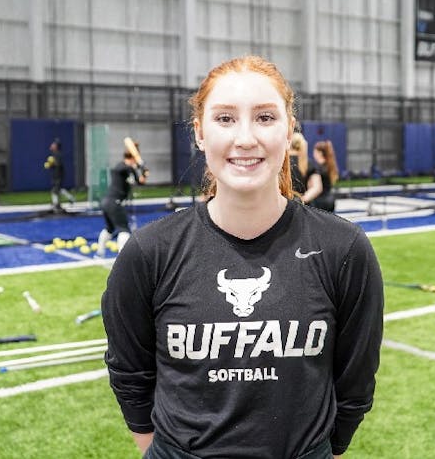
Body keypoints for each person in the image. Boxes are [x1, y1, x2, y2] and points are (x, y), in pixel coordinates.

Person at [101, 55, 383, 459]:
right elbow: (129, 372)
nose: (246, 138)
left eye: (266, 118)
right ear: (200, 132)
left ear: (289, 132)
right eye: (226, 118)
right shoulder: (149, 252)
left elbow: (354, 381)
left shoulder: (344, 250)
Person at [97, 143, 148, 256]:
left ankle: (100, 253)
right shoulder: (121, 167)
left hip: (108, 202)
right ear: (131, 158)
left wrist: (144, 172)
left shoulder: (131, 169)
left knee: (110, 228)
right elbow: (121, 169)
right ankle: (122, 258)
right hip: (114, 202)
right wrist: (138, 165)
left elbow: (140, 182)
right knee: (124, 229)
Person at [301, 140, 339, 212]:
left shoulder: (318, 168)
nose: (313, 154)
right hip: (330, 200)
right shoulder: (329, 165)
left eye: (315, 152)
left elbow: (312, 186)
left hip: (320, 201)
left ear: (320, 153)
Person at [44, 139, 76, 212]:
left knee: (55, 190)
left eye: (53, 144)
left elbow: (58, 164)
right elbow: (54, 165)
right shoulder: (54, 154)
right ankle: (69, 199)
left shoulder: (58, 154)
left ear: (56, 146)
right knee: (57, 189)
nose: (51, 145)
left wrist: (52, 163)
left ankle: (56, 204)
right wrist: (50, 165)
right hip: (55, 175)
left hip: (59, 175)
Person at [289, 131, 309, 196]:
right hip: (302, 201)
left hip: (287, 199)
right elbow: (317, 187)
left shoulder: (281, 161)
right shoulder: (307, 162)